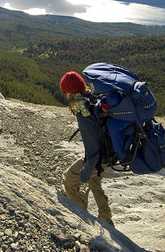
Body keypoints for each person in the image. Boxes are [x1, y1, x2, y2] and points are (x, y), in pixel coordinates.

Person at [60, 71, 113, 226]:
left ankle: (81, 216)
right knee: (94, 181)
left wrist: (87, 170)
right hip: (111, 154)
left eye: (65, 91)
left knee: (69, 179)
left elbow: (92, 147)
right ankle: (106, 218)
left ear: (70, 91)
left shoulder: (83, 110)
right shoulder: (92, 99)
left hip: (100, 158)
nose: (65, 94)